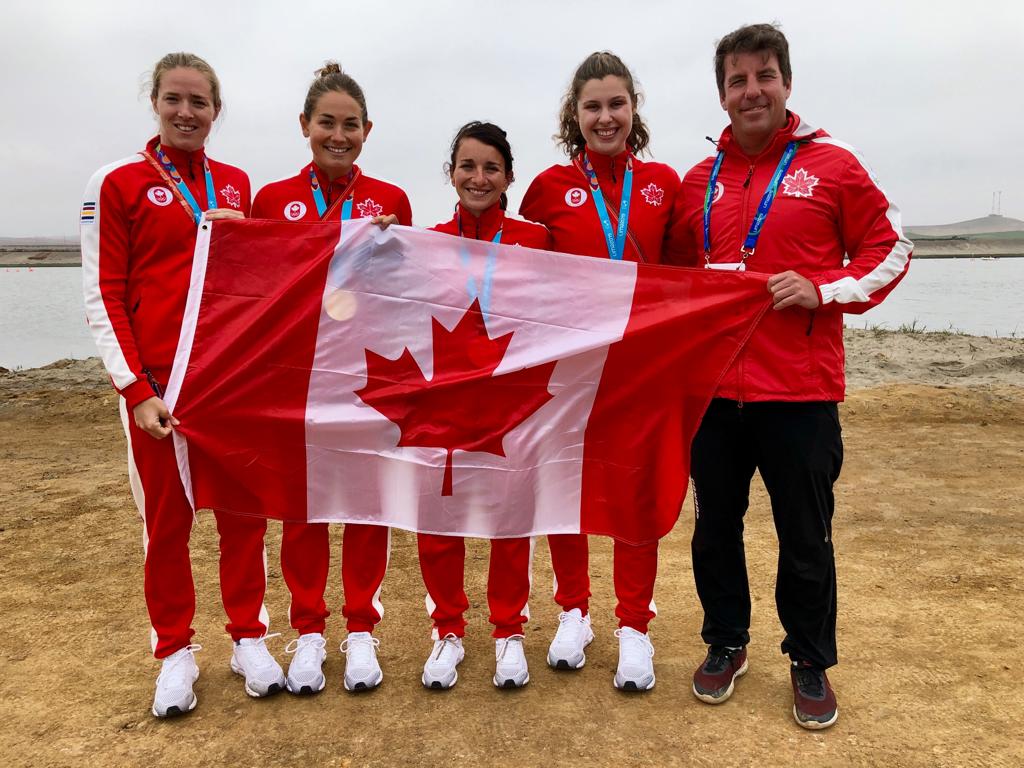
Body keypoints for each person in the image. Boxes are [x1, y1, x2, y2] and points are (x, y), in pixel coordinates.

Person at [667, 23, 912, 728]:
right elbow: (673, 277)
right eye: (738, 80)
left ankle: (809, 660)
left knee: (804, 533)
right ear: (722, 94)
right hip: (715, 393)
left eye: (764, 75)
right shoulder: (699, 179)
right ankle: (726, 642)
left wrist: (824, 288)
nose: (752, 91)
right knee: (716, 527)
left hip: (800, 391)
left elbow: (892, 246)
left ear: (786, 83)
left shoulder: (831, 163)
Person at [81, 52, 288, 718]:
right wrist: (135, 390)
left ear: (216, 111)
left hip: (228, 384)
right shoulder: (116, 182)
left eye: (199, 102)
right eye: (175, 99)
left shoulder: (235, 183)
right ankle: (173, 651)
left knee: (243, 519)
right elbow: (103, 292)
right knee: (166, 524)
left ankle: (248, 637)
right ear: (155, 102)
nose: (186, 112)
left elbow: (258, 280)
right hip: (160, 387)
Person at [519, 51, 682, 691]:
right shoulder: (547, 188)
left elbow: (687, 279)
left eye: (616, 104)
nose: (605, 116)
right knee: (567, 491)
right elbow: (516, 269)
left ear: (633, 109)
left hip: (644, 369)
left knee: (636, 496)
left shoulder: (664, 183)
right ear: (575, 114)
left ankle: (635, 626)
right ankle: (574, 612)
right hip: (570, 371)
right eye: (593, 106)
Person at [251, 62, 412, 694]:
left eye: (350, 125)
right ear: (305, 126)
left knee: (368, 506)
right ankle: (310, 631)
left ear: (367, 130)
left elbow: (409, 288)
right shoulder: (270, 200)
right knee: (304, 508)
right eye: (327, 123)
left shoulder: (391, 201)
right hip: (296, 376)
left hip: (367, 373)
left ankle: (362, 630)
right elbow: (257, 289)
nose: (337, 135)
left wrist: (397, 247)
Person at [417, 121, 551, 691]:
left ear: (509, 176)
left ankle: (507, 631)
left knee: (509, 517)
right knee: (438, 518)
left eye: (491, 167)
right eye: (467, 166)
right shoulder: (424, 242)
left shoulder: (537, 240)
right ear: (451, 173)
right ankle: (447, 629)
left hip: (509, 401)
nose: (478, 177)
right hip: (442, 400)